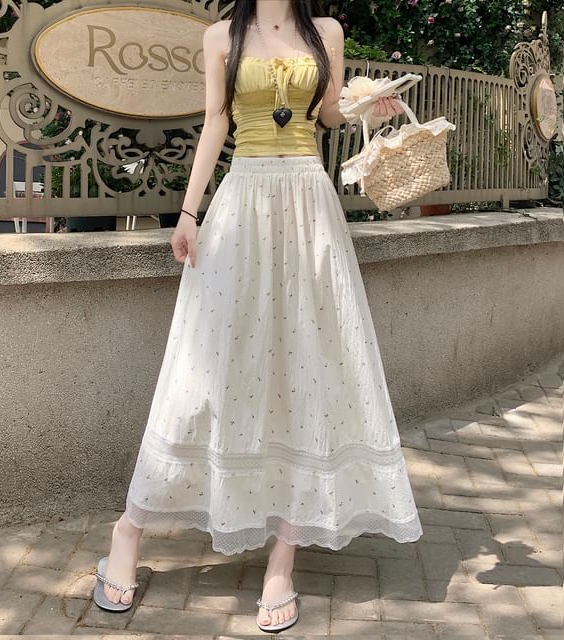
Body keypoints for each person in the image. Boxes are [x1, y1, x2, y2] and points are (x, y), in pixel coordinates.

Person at [93, 0, 423, 632]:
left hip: (308, 203)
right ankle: (130, 527)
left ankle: (282, 561)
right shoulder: (222, 36)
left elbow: (327, 114)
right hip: (242, 202)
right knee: (206, 373)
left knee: (310, 370)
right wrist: (188, 214)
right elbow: (216, 122)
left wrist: (366, 108)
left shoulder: (326, 32)